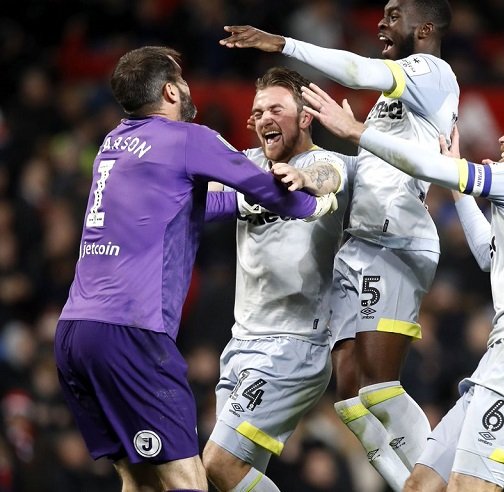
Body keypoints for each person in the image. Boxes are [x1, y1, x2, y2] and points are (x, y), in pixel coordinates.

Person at [53, 47, 336, 492]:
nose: (187, 88)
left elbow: (183, 206)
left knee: (139, 479)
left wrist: (243, 203)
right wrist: (315, 201)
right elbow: (267, 186)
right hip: (133, 332)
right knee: (188, 480)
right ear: (169, 90)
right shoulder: (187, 138)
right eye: (181, 80)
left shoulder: (114, 144)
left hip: (75, 332)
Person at [302, 83, 504, 491]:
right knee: (422, 483)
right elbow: (490, 255)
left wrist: (357, 132)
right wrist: (458, 180)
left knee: (468, 486)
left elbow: (431, 169)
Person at [219, 1, 459, 489]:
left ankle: (445, 482)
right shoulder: (395, 102)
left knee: (378, 388)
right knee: (351, 399)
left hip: (395, 241)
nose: (381, 22)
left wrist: (282, 43)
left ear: (426, 27)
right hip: (362, 245)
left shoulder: (430, 71)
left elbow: (355, 74)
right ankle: (409, 484)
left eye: (395, 15)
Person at [200, 66, 349, 492]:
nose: (265, 117)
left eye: (277, 108)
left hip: (293, 345)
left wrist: (303, 180)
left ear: (304, 117)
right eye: (258, 110)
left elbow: (330, 179)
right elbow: (202, 203)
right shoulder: (246, 167)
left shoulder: (324, 162)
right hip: (242, 344)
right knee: (232, 476)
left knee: (218, 463)